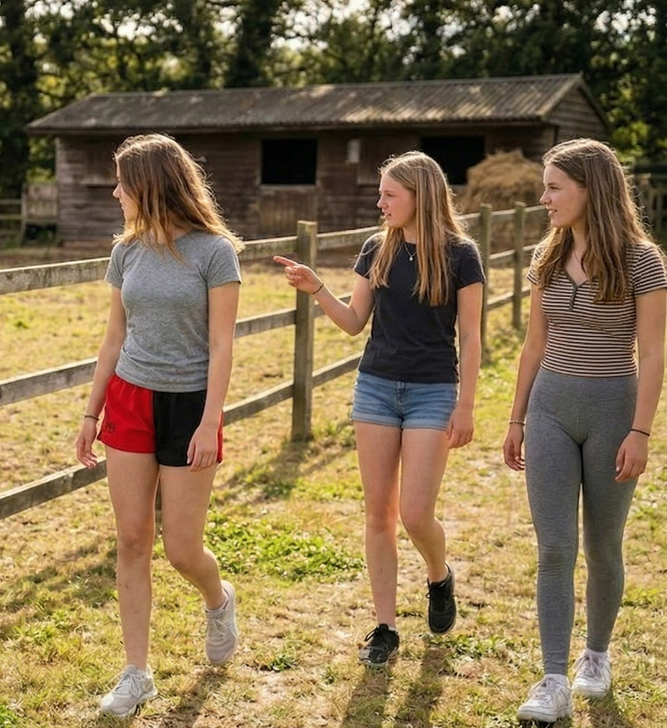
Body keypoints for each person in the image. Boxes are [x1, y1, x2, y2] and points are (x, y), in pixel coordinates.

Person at [274, 151, 484, 668]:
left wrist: (467, 405)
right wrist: (316, 286)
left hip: (433, 391)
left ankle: (439, 575)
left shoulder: (462, 254)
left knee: (415, 513)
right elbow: (352, 321)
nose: (380, 201)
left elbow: (472, 336)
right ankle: (386, 627)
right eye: (381, 193)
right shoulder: (376, 248)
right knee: (378, 514)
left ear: (420, 195)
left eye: (390, 193)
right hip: (375, 389)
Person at [75, 133, 243, 718]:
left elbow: (222, 344)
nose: (115, 190)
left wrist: (209, 421)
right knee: (131, 539)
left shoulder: (215, 252)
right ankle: (137, 672)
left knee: (182, 548)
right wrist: (90, 412)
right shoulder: (126, 252)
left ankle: (218, 600)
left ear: (149, 184)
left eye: (122, 181)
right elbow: (113, 337)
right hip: (130, 398)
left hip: (191, 404)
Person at [503, 139, 666, 723]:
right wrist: (517, 417)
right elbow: (534, 345)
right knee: (553, 548)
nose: (543, 198)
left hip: (613, 413)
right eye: (544, 187)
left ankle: (595, 656)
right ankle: (552, 678)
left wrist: (641, 432)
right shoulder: (546, 257)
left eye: (553, 187)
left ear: (589, 189)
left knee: (602, 546)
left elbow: (652, 353)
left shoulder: (642, 260)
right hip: (550, 409)